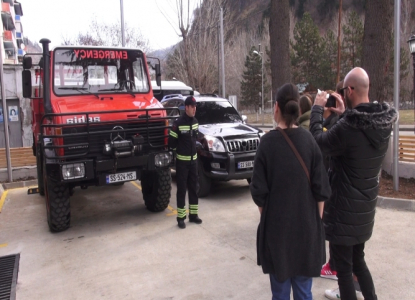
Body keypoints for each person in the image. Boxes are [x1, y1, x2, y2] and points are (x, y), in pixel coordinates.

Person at [310, 67, 398, 300]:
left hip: (344, 212)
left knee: (345, 270)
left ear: (349, 90)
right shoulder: (380, 122)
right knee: (358, 262)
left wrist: (317, 109)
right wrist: (341, 115)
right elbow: (351, 144)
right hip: (364, 209)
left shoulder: (350, 126)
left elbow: (319, 143)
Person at [250, 83, 331, 300]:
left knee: (280, 293)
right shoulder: (310, 142)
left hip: (277, 233)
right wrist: (314, 224)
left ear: (276, 107)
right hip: (306, 232)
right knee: (304, 293)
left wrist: (271, 220)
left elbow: (259, 194)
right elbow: (321, 190)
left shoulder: (266, 144)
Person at [168, 96, 202, 229]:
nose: (194, 109)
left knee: (194, 189)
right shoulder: (178, 123)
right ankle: (181, 218)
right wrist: (179, 151)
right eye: (192, 107)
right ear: (186, 107)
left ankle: (193, 215)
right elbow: (172, 143)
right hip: (182, 163)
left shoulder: (195, 122)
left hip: (194, 163)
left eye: (195, 107)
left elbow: (195, 139)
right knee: (182, 190)